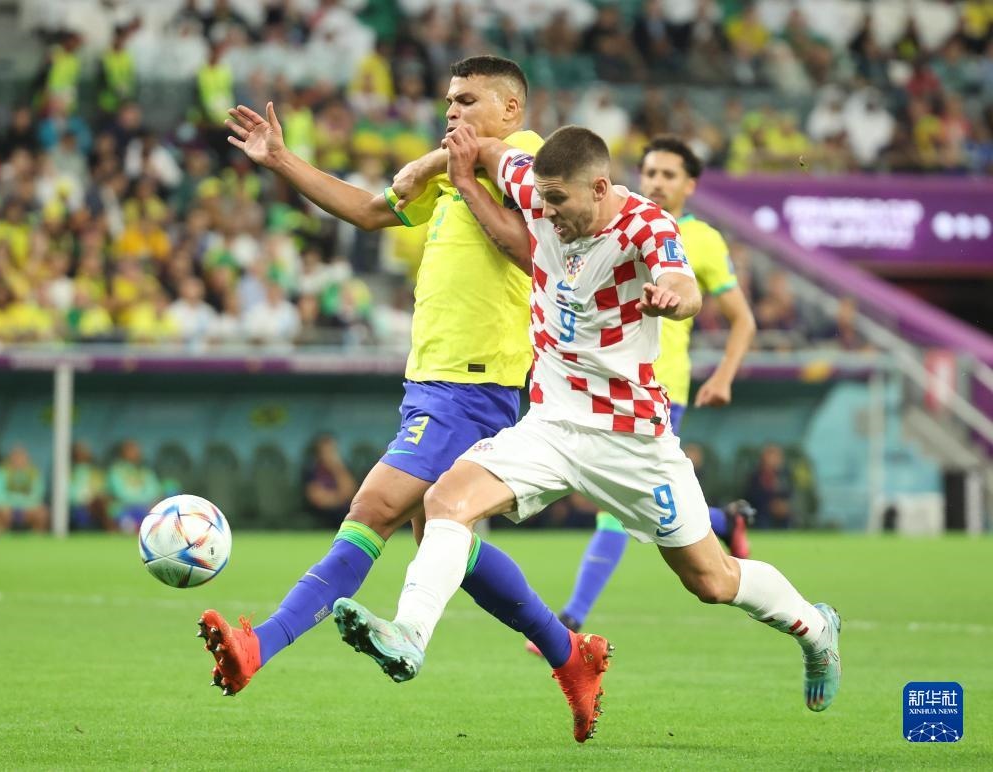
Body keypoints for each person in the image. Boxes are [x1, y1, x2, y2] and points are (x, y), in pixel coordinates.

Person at [332, 125, 842, 718]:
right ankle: (410, 633)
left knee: (712, 581)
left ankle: (815, 628)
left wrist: (674, 298)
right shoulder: (537, 188)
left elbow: (683, 283)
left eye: (558, 201)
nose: (544, 212)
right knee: (445, 501)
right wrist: (426, 168)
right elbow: (483, 150)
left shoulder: (647, 225)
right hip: (551, 424)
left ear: (599, 188)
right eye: (541, 198)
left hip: (631, 440)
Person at [198, 56, 610, 742]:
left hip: (474, 385)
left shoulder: (531, 162)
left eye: (468, 100)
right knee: (441, 538)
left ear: (511, 110)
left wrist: (436, 165)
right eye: (449, 101)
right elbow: (367, 210)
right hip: (430, 384)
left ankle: (257, 646)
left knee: (372, 510)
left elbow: (532, 251)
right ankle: (571, 655)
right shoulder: (454, 176)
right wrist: (281, 161)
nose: (451, 111)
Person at [537, 135, 758, 638]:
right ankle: (725, 521)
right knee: (640, 504)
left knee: (615, 510)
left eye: (669, 175)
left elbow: (742, 320)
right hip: (598, 384)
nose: (656, 182)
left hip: (659, 389)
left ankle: (570, 620)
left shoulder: (701, 240)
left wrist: (723, 375)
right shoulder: (610, 225)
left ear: (690, 185)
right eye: (650, 172)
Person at [0, 445, 49, 533]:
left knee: (42, 512)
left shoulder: (34, 473)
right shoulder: (1, 472)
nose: (18, 460)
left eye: (21, 457)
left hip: (28, 508)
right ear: (10, 458)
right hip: (7, 507)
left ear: (27, 458)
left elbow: (38, 494)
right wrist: (9, 505)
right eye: (16, 457)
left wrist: (25, 506)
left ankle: (37, 537)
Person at [302, 433, 357, 528]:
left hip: (344, 512)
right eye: (326, 451)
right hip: (320, 515)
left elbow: (350, 492)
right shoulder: (311, 470)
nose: (330, 454)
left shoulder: (343, 467)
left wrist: (336, 468)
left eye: (332, 450)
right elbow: (318, 499)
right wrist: (340, 497)